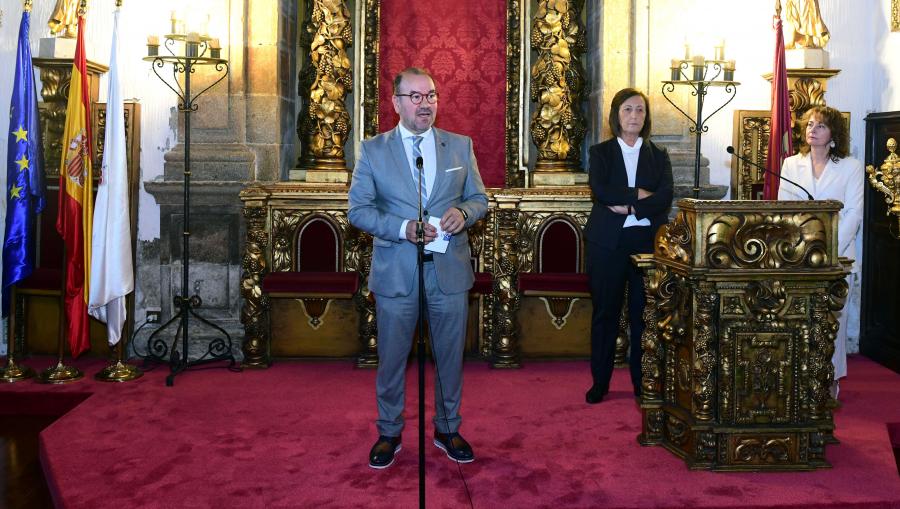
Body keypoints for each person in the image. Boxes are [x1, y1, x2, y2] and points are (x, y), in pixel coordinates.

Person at [348, 67, 488, 469]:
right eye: (415, 96)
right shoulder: (373, 150)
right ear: (396, 103)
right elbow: (358, 210)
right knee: (392, 358)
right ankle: (389, 432)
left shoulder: (459, 146)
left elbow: (479, 199)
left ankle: (447, 428)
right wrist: (402, 228)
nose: (425, 104)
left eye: (431, 96)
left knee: (450, 357)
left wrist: (465, 213)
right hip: (397, 271)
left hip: (448, 271)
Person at [583, 88, 673, 405]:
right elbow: (601, 191)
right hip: (607, 243)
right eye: (628, 109)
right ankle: (600, 382)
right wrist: (640, 194)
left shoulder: (658, 155)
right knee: (605, 314)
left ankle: (641, 382)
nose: (634, 116)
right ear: (616, 115)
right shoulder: (601, 152)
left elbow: (665, 196)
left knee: (642, 316)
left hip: (645, 244)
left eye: (640, 110)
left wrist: (630, 205)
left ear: (646, 117)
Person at [777, 105, 863, 399]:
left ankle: (831, 379)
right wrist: (800, 249)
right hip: (799, 257)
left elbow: (853, 213)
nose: (812, 130)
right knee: (800, 321)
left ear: (834, 134)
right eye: (810, 124)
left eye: (821, 126)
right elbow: (784, 211)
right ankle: (800, 380)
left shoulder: (850, 167)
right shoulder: (791, 164)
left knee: (833, 322)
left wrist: (827, 250)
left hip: (838, 257)